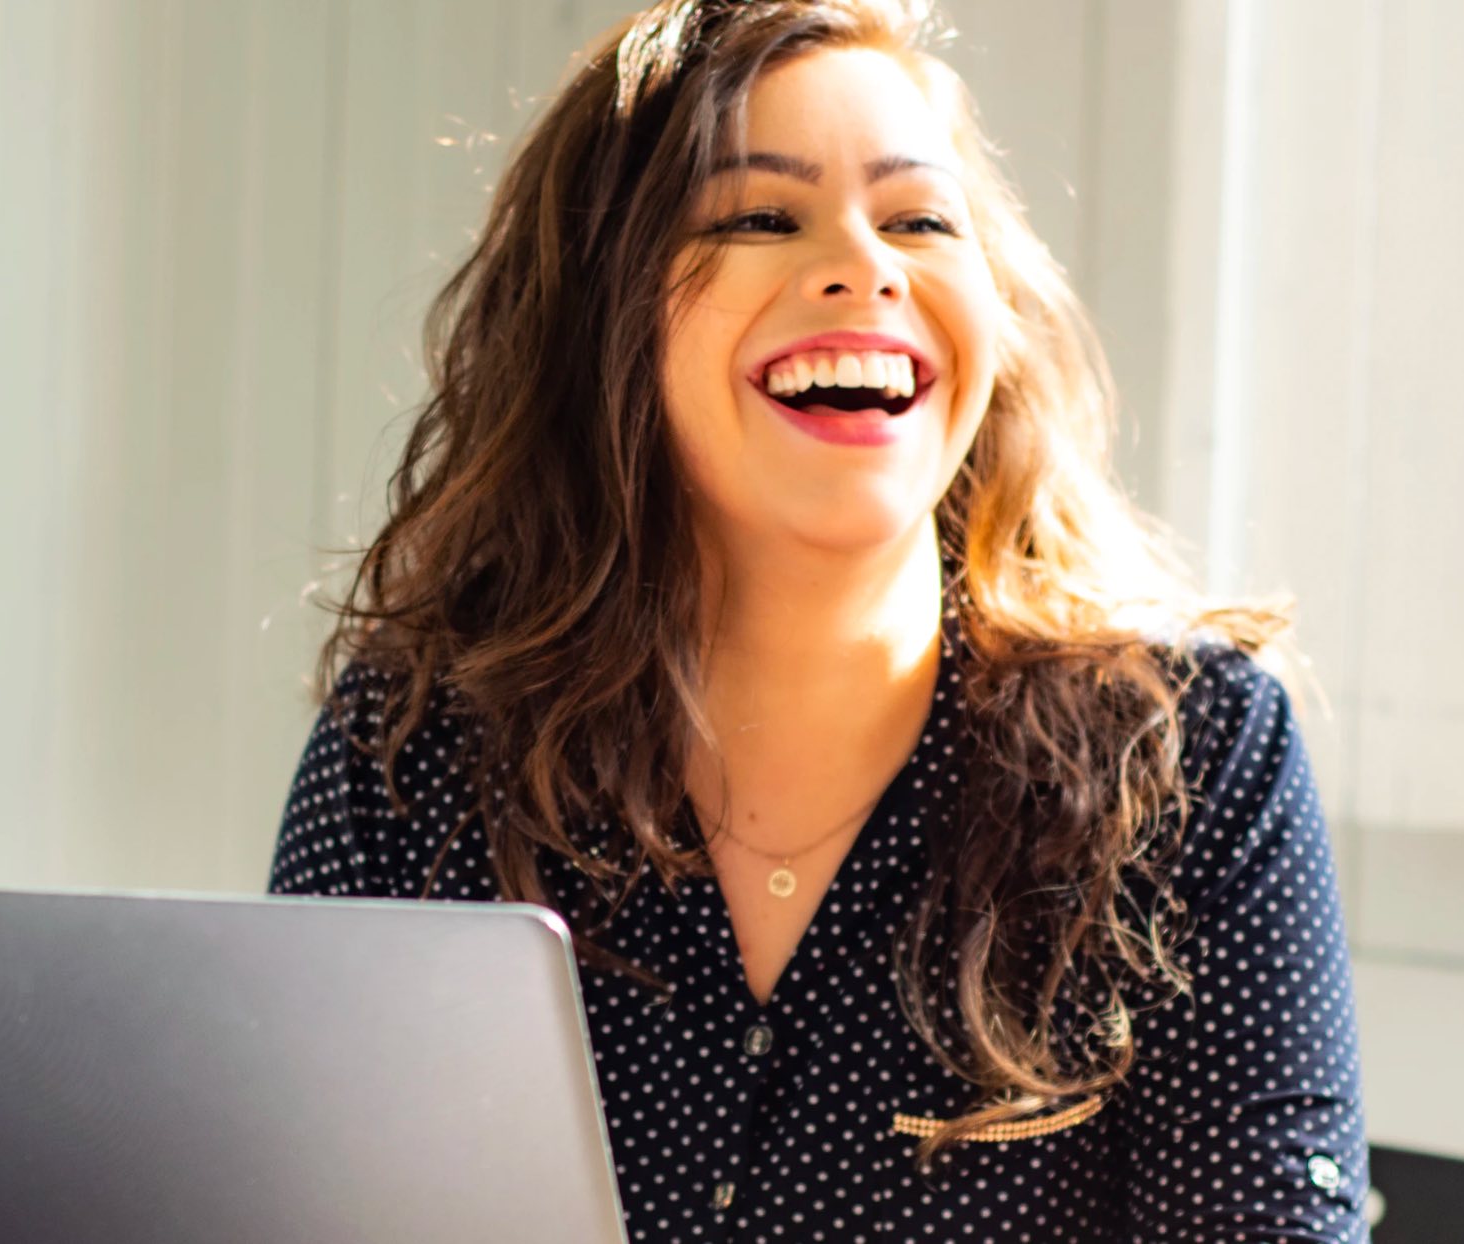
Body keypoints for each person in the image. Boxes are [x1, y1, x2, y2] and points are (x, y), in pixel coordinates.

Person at [268, 0, 1370, 1238]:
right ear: (607, 316)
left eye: (920, 219)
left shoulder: (1192, 761)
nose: (865, 262)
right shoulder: (414, 756)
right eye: (758, 216)